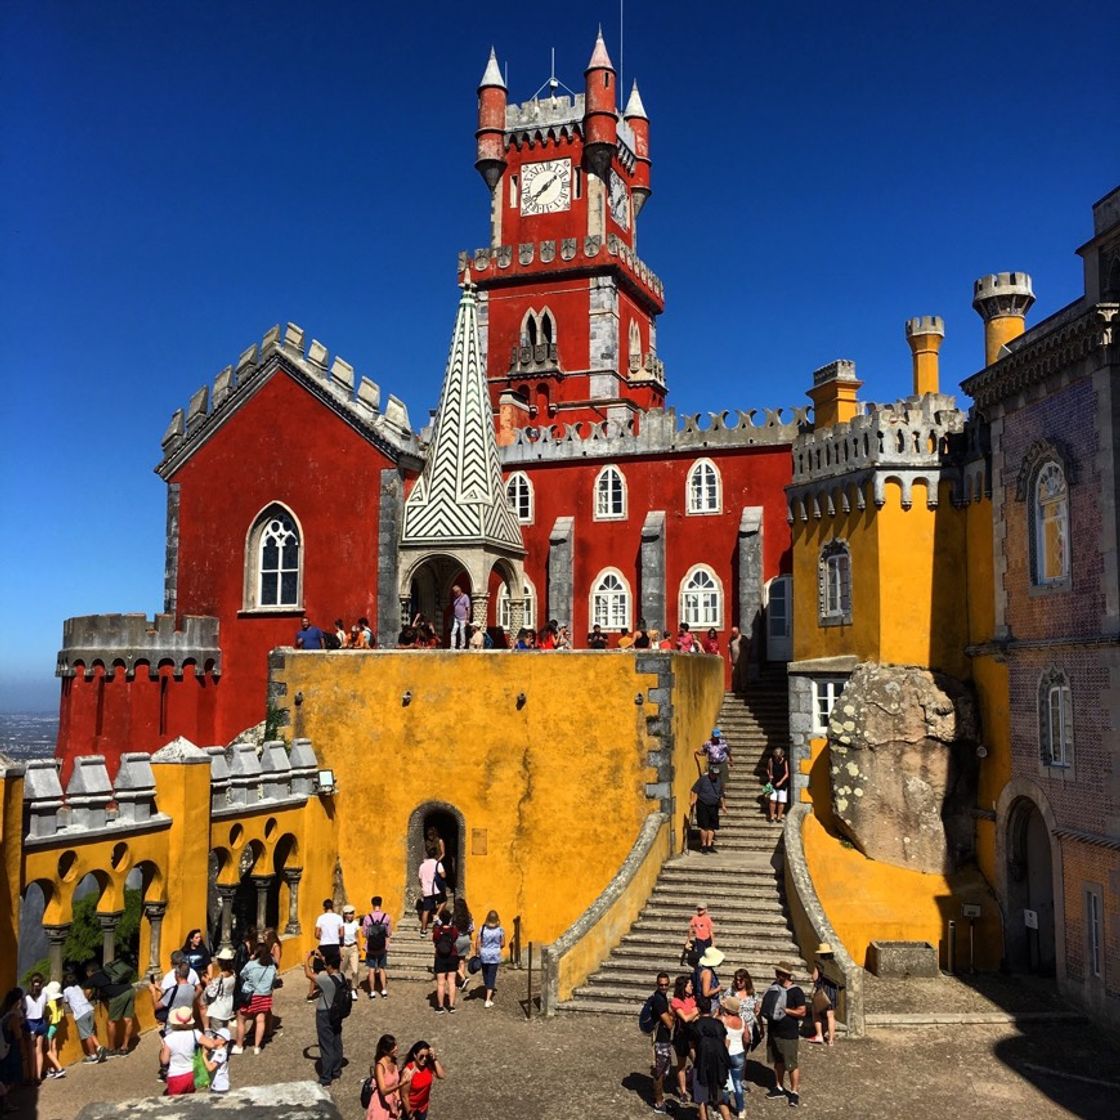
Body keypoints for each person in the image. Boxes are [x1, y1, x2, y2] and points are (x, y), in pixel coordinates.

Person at [762, 962, 807, 1107]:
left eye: (779, 973)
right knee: (778, 1061)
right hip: (774, 1031)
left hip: (789, 1033)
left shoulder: (796, 991)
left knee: (791, 1064)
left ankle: (794, 1092)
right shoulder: (774, 987)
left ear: (786, 975)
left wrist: (785, 1010)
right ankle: (779, 1087)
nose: (777, 975)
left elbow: (802, 1012)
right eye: (777, 972)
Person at [305, 949, 345, 1087]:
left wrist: (306, 959)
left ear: (329, 966)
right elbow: (330, 964)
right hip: (337, 1013)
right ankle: (336, 1070)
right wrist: (324, 958)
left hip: (324, 1013)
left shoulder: (325, 979)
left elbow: (308, 974)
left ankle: (326, 1077)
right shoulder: (342, 977)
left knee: (326, 1045)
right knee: (336, 1041)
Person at [160, 1006, 220, 1096]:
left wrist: (163, 1048)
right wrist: (203, 1053)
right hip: (192, 1074)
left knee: (174, 1104)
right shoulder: (195, 1033)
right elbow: (211, 1044)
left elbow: (164, 1061)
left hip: (176, 1076)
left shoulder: (169, 1039)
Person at [690, 996, 731, 1120]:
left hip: (702, 1064)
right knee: (720, 1100)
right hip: (718, 1065)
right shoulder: (718, 1024)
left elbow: (692, 1048)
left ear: (698, 1008)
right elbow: (725, 1043)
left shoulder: (696, 1025)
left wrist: (696, 1062)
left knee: (702, 1102)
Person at [85, 959, 135, 1057]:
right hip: (130, 989)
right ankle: (125, 1047)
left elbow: (86, 994)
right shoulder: (107, 971)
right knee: (128, 1019)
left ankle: (111, 1049)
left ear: (89, 972)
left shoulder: (93, 978)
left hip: (118, 996)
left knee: (111, 1022)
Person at [234, 943, 277, 1055]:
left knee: (241, 1019)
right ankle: (257, 1047)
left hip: (251, 995)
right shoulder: (271, 966)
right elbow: (274, 980)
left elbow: (242, 974)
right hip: (265, 995)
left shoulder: (251, 964)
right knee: (260, 1020)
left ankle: (239, 1046)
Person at [62, 969, 105, 1063]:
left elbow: (65, 1002)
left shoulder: (66, 991)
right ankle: (99, 1047)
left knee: (86, 1036)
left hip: (81, 1014)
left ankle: (93, 1055)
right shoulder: (78, 987)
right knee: (90, 1032)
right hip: (89, 1009)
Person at [669, 975, 698, 1102]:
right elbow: (685, 1018)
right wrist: (697, 1010)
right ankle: (683, 1091)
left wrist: (693, 1013)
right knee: (681, 1065)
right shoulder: (676, 1001)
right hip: (681, 1036)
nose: (692, 987)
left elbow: (692, 1017)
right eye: (689, 985)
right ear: (683, 987)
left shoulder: (692, 998)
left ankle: (692, 1083)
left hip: (692, 1035)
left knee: (697, 1061)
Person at [648, 972, 674, 1114]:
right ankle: (658, 1102)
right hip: (660, 1040)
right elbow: (669, 1024)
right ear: (657, 985)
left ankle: (660, 1099)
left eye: (665, 985)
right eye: (661, 985)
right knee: (659, 1072)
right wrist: (674, 1016)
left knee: (663, 1070)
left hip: (663, 1039)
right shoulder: (659, 1000)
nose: (663, 987)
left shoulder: (662, 997)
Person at [401, 1040, 446, 1120]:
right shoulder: (408, 1071)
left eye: (426, 1056)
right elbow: (404, 1096)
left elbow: (441, 1075)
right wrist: (411, 1116)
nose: (424, 1059)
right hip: (410, 1110)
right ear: (414, 1055)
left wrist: (434, 1058)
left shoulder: (427, 1066)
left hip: (422, 1109)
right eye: (421, 1056)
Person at [720, 996, 747, 1119]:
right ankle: (741, 1108)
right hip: (739, 1052)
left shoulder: (723, 1020)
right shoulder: (742, 1020)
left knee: (725, 1083)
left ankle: (725, 1105)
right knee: (737, 1083)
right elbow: (746, 1037)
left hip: (727, 1054)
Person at [366, 1033, 404, 1120]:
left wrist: (398, 1101)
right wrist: (401, 1084)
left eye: (395, 1045)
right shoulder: (380, 1066)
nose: (396, 1048)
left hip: (391, 1102)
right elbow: (383, 1091)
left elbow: (395, 1083)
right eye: (392, 1047)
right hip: (380, 1105)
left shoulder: (394, 1062)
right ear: (385, 1051)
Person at [690, 766, 727, 854]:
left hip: (714, 806)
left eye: (716, 774)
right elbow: (694, 790)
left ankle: (709, 845)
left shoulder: (719, 782)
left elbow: (721, 795)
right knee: (704, 826)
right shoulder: (702, 780)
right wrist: (693, 800)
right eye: (713, 774)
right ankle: (703, 845)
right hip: (703, 804)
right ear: (710, 773)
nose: (714, 776)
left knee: (712, 826)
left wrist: (723, 805)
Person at [431, 903, 460, 1014]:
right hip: (452, 956)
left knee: (440, 983)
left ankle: (440, 1006)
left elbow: (435, 940)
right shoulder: (454, 930)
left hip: (440, 957)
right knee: (452, 982)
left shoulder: (438, 930)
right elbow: (455, 938)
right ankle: (451, 1006)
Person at [363, 895, 393, 999]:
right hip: (382, 947)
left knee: (371, 969)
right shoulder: (386, 917)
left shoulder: (367, 917)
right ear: (381, 904)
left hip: (370, 947)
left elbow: (364, 933)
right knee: (382, 968)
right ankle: (383, 990)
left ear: (372, 904)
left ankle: (372, 992)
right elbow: (389, 933)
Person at [808, 944, 839, 1046]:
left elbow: (815, 978)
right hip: (833, 992)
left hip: (823, 991)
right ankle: (830, 1040)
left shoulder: (819, 964)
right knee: (830, 1015)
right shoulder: (834, 965)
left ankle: (819, 1035)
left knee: (816, 1012)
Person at [21, 974, 49, 1082]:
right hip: (41, 1023)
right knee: (39, 1051)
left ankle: (31, 1077)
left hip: (30, 1024)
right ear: (41, 983)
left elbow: (24, 1011)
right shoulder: (44, 995)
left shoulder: (26, 998)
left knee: (31, 1052)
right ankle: (38, 1076)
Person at [476, 909, 505, 1008]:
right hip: (494, 955)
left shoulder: (483, 928)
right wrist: (495, 947)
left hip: (484, 954)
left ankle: (487, 988)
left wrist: (478, 952)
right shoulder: (500, 930)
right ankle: (488, 999)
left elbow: (478, 942)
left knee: (485, 974)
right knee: (492, 975)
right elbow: (503, 943)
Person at [203, 949, 237, 1031]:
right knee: (224, 1032)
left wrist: (207, 982)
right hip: (228, 1006)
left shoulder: (221, 977)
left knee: (217, 1034)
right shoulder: (233, 974)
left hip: (218, 1009)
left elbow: (211, 993)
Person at [417, 845, 446, 934]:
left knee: (426, 910)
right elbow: (443, 875)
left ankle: (423, 929)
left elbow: (420, 879)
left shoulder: (422, 865)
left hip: (426, 891)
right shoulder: (437, 864)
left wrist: (423, 887)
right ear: (436, 855)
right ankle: (436, 916)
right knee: (444, 901)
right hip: (435, 890)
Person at [40, 981, 66, 1080]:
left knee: (48, 1050)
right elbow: (62, 1015)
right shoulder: (59, 1001)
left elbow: (47, 1016)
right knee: (54, 1048)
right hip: (56, 1026)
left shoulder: (50, 1002)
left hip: (50, 1027)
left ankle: (59, 1068)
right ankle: (52, 1068)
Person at [452, 898, 474, 991]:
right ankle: (460, 981)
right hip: (466, 939)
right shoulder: (468, 916)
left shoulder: (454, 917)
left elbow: (451, 927)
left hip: (457, 939)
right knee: (462, 960)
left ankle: (463, 977)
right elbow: (472, 928)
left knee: (453, 962)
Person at [340, 905, 361, 999]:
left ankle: (353, 989)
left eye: (352, 913)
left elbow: (357, 937)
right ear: (344, 915)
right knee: (341, 971)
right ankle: (342, 988)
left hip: (353, 948)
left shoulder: (355, 924)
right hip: (343, 948)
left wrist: (359, 949)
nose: (350, 915)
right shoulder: (341, 924)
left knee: (355, 970)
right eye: (348, 913)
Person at [202, 1027, 231, 1094]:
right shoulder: (214, 1051)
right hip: (214, 1085)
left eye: (215, 1037)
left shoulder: (221, 1053)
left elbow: (210, 1068)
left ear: (222, 1041)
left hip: (221, 1087)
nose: (212, 1038)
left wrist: (204, 1056)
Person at [766, 746, 790, 824]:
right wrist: (769, 775)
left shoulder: (785, 761)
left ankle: (779, 817)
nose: (777, 757)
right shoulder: (771, 760)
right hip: (773, 783)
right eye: (776, 756)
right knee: (772, 800)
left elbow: (787, 773)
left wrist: (781, 781)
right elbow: (768, 769)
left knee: (781, 801)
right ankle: (772, 816)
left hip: (782, 784)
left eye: (779, 756)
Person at [450, 585, 471, 650]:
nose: (455, 594)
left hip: (463, 618)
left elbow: (468, 608)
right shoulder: (455, 598)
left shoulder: (465, 597)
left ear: (459, 591)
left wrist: (467, 618)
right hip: (456, 618)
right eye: (454, 592)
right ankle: (452, 647)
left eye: (456, 592)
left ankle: (462, 646)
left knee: (462, 632)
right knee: (453, 632)